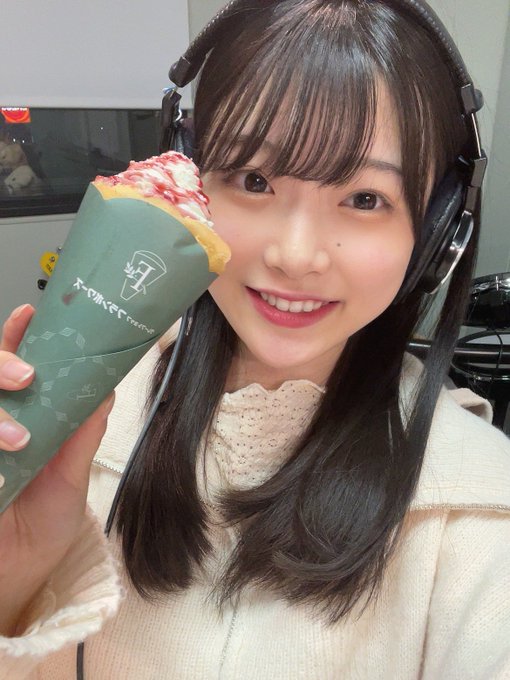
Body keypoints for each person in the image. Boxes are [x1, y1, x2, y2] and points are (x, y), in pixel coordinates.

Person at [1, 1, 510, 678]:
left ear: (437, 233)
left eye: (365, 199)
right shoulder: (72, 434)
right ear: (191, 182)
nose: (295, 256)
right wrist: (19, 571)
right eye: (254, 180)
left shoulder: (480, 511)